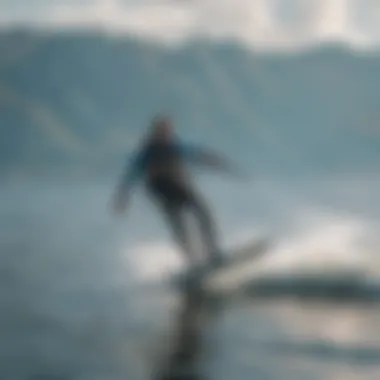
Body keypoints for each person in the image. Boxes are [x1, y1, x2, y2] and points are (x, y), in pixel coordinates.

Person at [112, 115, 241, 268]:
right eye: (162, 131)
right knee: (179, 225)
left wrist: (224, 166)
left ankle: (214, 253)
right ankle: (192, 261)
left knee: (203, 213)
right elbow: (130, 176)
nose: (167, 134)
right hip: (162, 192)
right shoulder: (147, 153)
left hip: (180, 186)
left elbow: (200, 155)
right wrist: (122, 198)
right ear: (155, 132)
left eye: (168, 130)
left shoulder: (176, 146)